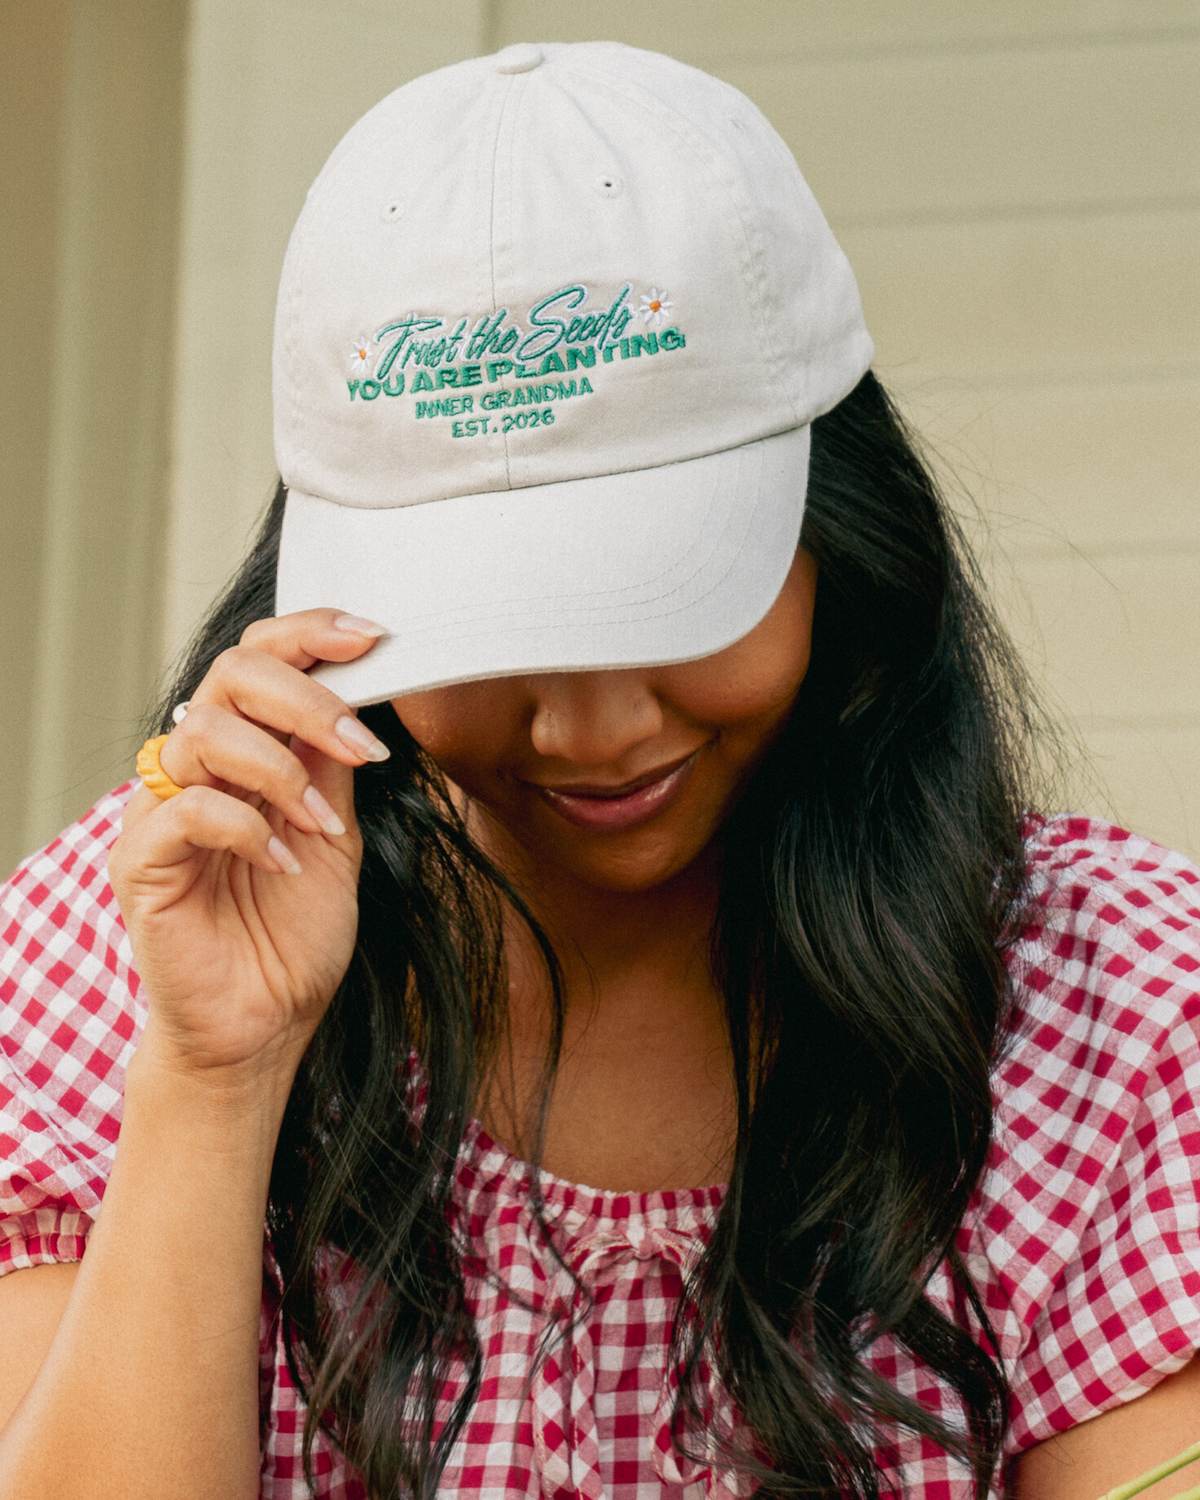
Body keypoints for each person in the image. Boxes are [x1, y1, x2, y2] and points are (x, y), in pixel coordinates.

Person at [1, 37, 1198, 1500]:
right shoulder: (130, 952)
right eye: (489, 636)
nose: (591, 729)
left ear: (842, 524)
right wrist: (215, 1078)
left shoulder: (1109, 1006)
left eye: (674, 602)